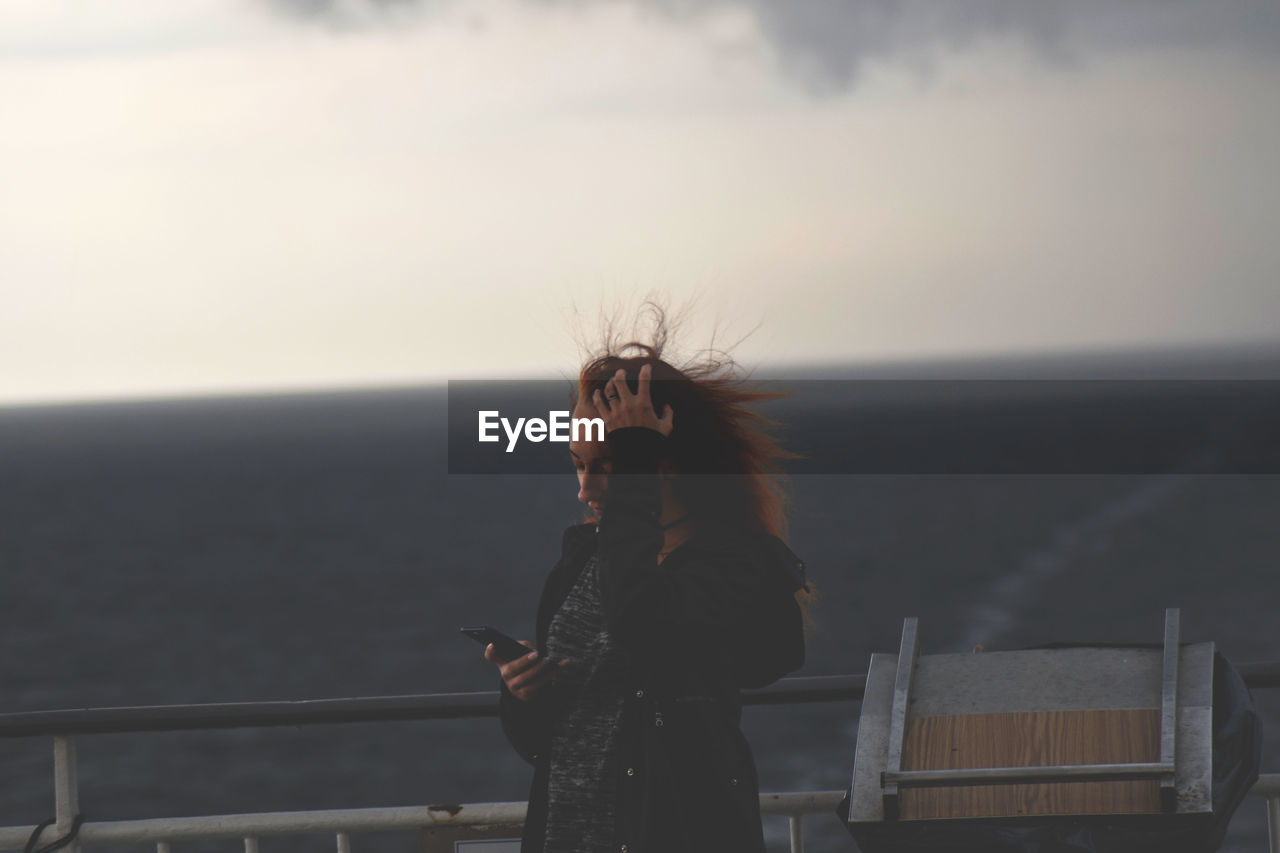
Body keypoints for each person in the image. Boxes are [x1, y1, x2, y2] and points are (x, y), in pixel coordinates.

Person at [486, 340, 809, 853]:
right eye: (577, 463)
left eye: (609, 467)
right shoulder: (583, 561)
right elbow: (545, 746)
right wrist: (524, 693)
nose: (584, 489)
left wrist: (636, 463)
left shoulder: (729, 563)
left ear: (665, 462)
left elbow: (640, 623)